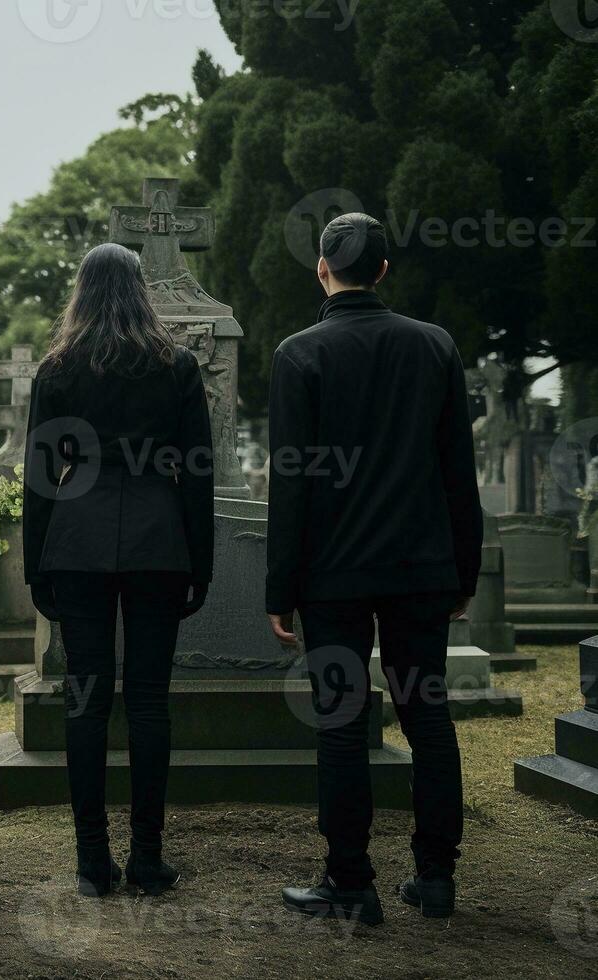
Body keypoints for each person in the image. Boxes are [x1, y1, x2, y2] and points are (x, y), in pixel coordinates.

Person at [268, 213, 480, 925]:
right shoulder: (434, 346)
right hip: (422, 569)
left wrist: (281, 588)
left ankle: (351, 881)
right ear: (384, 270)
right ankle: (436, 877)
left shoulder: (299, 355)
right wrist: (465, 574)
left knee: (340, 722)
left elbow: (291, 482)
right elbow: (459, 471)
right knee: (428, 716)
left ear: (322, 269)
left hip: (333, 578)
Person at [22, 242, 214, 898]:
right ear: (141, 290)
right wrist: (201, 563)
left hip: (78, 538)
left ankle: (90, 861)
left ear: (82, 291)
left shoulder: (58, 369)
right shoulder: (177, 365)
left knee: (86, 698)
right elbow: (196, 472)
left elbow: (42, 477)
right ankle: (148, 859)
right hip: (160, 540)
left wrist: (36, 567)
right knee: (150, 700)